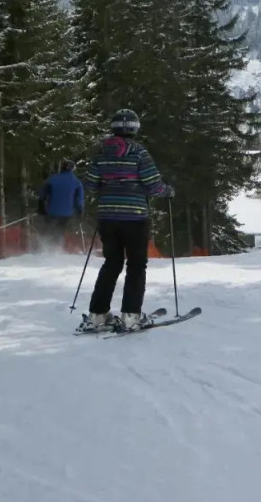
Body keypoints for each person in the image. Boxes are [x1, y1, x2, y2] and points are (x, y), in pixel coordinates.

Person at [78, 108, 174, 333]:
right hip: (135, 217)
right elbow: (153, 185)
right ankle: (130, 316)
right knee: (136, 265)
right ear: (135, 128)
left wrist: (109, 188)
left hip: (107, 217)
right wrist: (168, 191)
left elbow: (90, 185)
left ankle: (97, 315)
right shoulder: (139, 153)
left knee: (112, 263)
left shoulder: (101, 152)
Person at [38, 159, 84, 250]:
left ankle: (42, 248)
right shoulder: (77, 182)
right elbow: (79, 199)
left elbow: (42, 194)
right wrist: (80, 210)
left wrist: (41, 206)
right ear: (73, 169)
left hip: (51, 210)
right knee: (60, 229)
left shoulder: (52, 179)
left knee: (47, 228)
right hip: (66, 212)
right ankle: (57, 248)